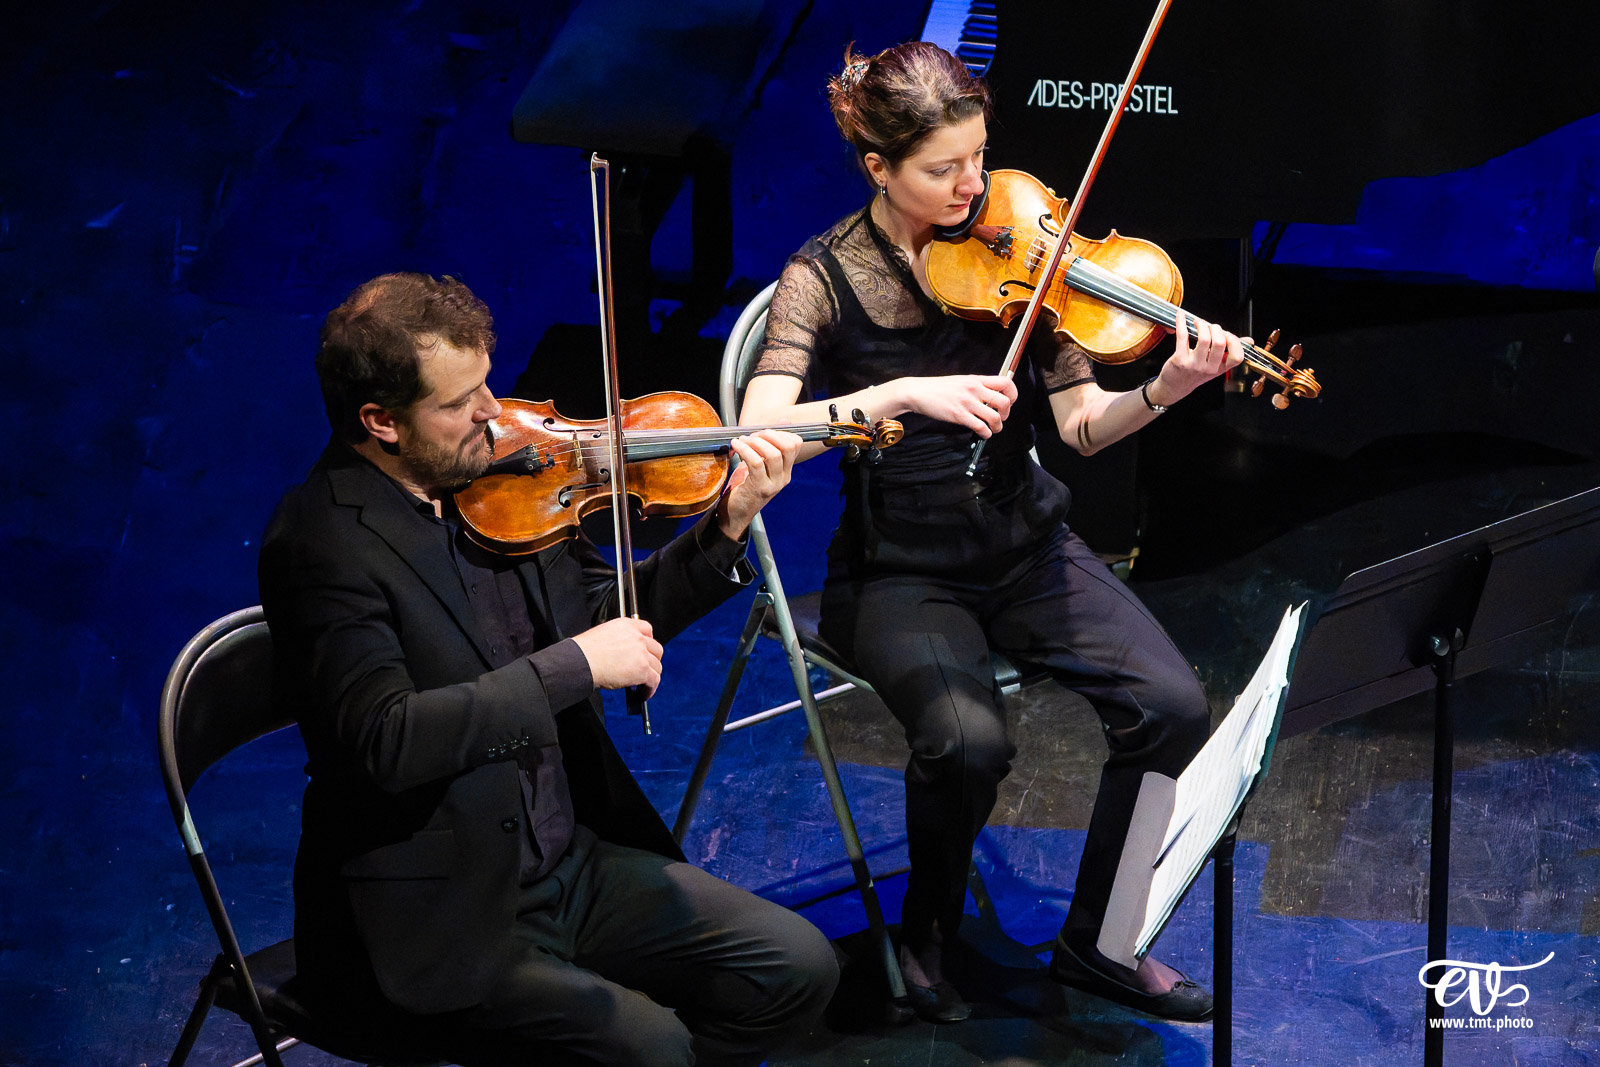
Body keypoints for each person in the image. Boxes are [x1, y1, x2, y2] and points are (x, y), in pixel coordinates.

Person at [739, 42, 1247, 1025]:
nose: (974, 187)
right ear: (879, 168)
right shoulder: (824, 276)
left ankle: (1102, 938)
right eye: (943, 169)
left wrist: (1165, 385)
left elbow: (1083, 428)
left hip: (1025, 547)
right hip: (900, 572)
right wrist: (895, 392)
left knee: (1173, 706)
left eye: (978, 157)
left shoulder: (1020, 241)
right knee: (965, 740)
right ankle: (926, 930)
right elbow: (764, 428)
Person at [259, 271, 836, 1066]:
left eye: (487, 385)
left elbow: (604, 622)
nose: (494, 415)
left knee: (795, 966)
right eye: (461, 404)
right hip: (442, 912)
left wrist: (725, 527)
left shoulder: (502, 486)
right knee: (653, 1049)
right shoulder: (322, 542)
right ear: (381, 422)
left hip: (568, 861)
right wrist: (572, 668)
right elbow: (385, 741)